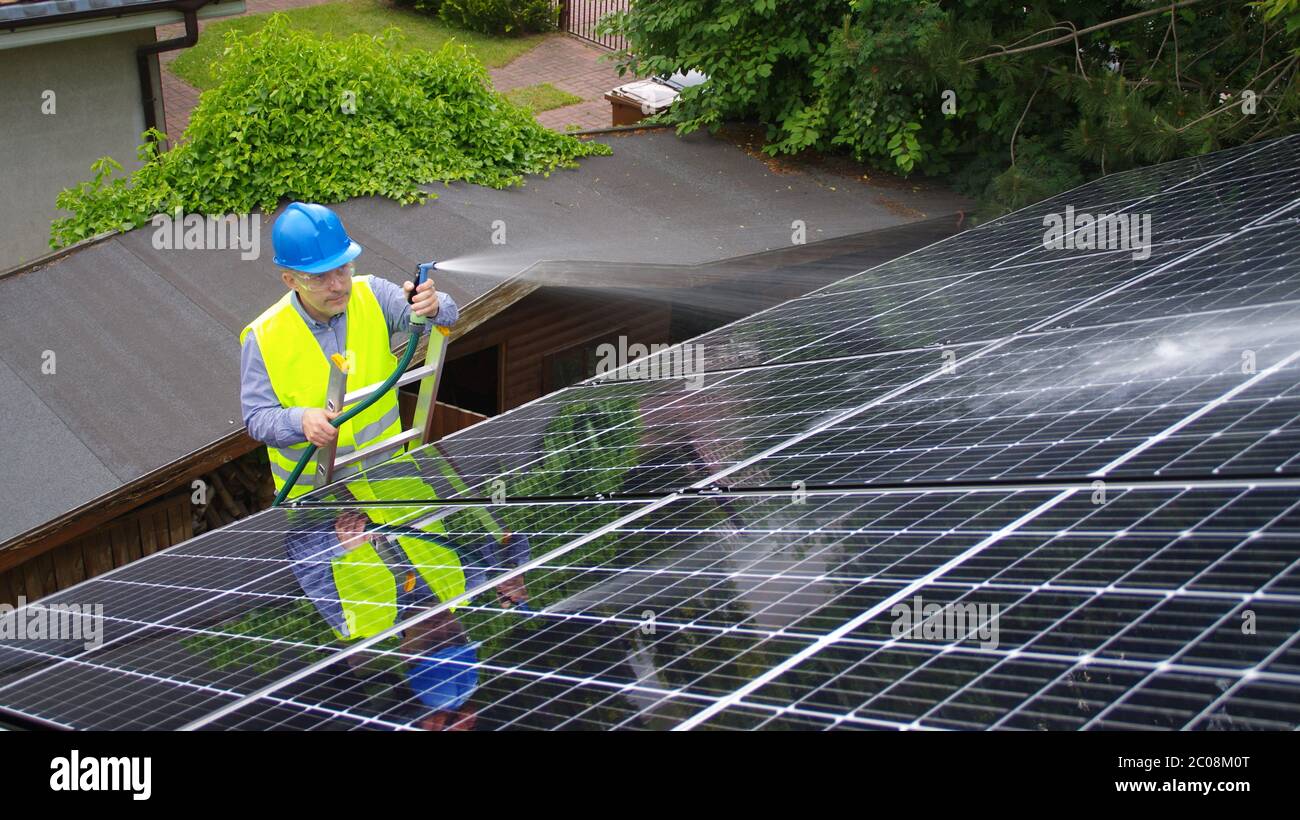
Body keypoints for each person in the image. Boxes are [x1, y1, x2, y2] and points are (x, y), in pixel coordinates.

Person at [239, 201, 459, 500]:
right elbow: (257, 418)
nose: (338, 285)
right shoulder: (262, 336)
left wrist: (432, 306)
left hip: (393, 482)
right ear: (290, 280)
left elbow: (447, 314)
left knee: (434, 547)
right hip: (319, 506)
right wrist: (301, 420)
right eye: (319, 277)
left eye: (342, 269)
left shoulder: (373, 294)